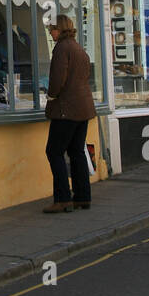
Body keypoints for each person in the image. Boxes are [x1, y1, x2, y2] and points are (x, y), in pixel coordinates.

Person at [42, 14, 96, 214]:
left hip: (67, 109)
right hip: (83, 107)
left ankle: (62, 198)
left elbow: (57, 79)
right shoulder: (77, 47)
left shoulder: (62, 49)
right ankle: (82, 197)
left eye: (52, 29)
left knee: (54, 152)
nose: (50, 32)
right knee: (76, 152)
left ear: (60, 29)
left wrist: (50, 96)